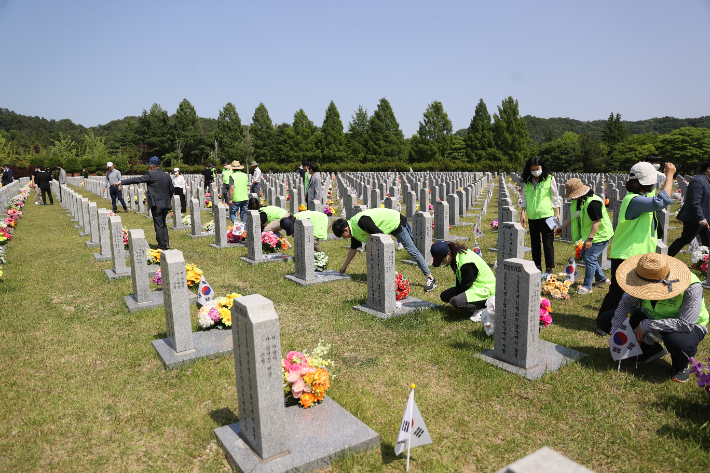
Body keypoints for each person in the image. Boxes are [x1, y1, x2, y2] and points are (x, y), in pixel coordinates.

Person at [596, 253, 708, 382]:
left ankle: (680, 364)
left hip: (686, 325)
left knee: (678, 343)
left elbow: (685, 324)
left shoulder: (692, 286)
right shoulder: (642, 275)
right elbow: (627, 304)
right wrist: (617, 330)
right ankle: (650, 351)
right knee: (606, 320)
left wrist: (647, 325)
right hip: (651, 315)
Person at [598, 161, 676, 316]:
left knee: (638, 291)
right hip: (626, 254)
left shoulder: (643, 196)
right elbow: (661, 201)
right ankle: (603, 321)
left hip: (640, 253)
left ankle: (627, 319)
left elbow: (658, 198)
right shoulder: (634, 200)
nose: (655, 184)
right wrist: (670, 176)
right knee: (618, 291)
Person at [332, 208, 437, 292]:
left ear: (346, 230)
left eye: (342, 236)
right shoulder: (353, 229)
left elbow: (382, 238)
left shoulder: (361, 222)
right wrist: (344, 266)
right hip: (386, 226)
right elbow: (353, 249)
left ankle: (430, 278)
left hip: (395, 222)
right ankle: (388, 275)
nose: (344, 238)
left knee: (411, 250)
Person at [556, 178, 613, 294]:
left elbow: (596, 222)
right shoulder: (581, 201)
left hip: (601, 235)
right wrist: (562, 227)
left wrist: (589, 239)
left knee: (590, 257)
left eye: (573, 195)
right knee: (584, 254)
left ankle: (587, 287)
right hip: (593, 235)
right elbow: (573, 217)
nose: (572, 198)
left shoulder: (593, 203)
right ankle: (601, 278)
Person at [429, 241, 496, 319]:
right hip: (472, 283)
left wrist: (455, 300)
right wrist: (455, 296)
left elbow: (467, 285)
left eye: (441, 260)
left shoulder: (467, 263)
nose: (441, 263)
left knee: (456, 302)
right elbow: (460, 278)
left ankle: (483, 306)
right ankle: (471, 303)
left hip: (484, 287)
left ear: (448, 254)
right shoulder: (454, 255)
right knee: (445, 296)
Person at [119, 156, 174, 250]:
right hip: (165, 203)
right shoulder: (166, 175)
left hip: (156, 204)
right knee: (163, 223)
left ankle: (162, 245)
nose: (149, 167)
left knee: (158, 225)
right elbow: (171, 189)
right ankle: (166, 242)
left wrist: (121, 182)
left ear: (152, 166)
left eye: (149, 165)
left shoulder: (151, 174)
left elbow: (137, 180)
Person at [520, 157, 561, 273]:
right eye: (533, 169)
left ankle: (549, 268)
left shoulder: (549, 178)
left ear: (542, 167)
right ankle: (537, 266)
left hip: (547, 215)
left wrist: (557, 213)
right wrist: (522, 212)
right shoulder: (527, 181)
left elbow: (555, 196)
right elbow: (524, 198)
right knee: (535, 243)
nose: (535, 171)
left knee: (548, 242)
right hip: (532, 216)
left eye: (537, 168)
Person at [668, 159, 710, 256]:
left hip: (706, 218)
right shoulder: (698, 181)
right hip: (695, 218)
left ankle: (705, 265)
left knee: (707, 241)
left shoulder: (706, 180)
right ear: (708, 169)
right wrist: (700, 218)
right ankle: (666, 257)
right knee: (685, 239)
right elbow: (695, 202)